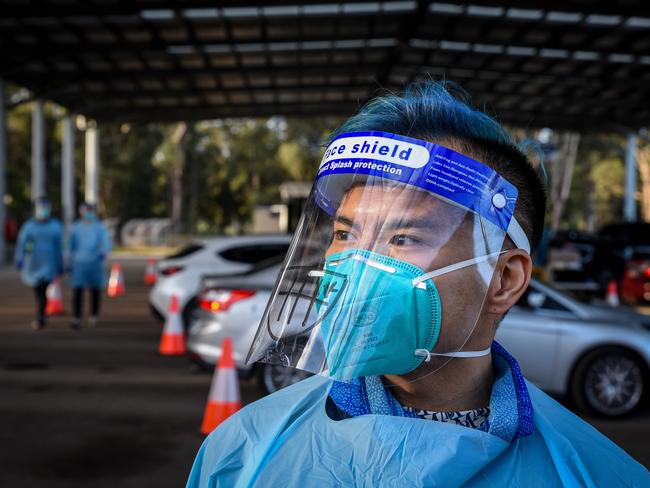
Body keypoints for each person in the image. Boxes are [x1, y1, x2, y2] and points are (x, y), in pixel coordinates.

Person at [186, 82, 649, 487]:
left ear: (505, 279)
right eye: (345, 234)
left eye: (402, 237)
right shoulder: (241, 453)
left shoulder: (597, 475)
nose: (353, 264)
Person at [14, 197, 63, 330]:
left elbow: (60, 246)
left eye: (45, 208)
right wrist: (20, 258)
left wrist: (61, 263)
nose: (43, 211)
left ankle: (40, 316)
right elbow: (22, 244)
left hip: (49, 262)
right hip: (33, 263)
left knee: (43, 289)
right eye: (41, 208)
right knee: (38, 290)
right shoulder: (29, 226)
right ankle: (41, 315)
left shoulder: (55, 226)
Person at [67, 202, 112, 329]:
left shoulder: (100, 227)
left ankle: (94, 314)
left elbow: (106, 242)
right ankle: (76, 317)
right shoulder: (76, 228)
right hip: (79, 263)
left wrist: (103, 253)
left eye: (90, 211)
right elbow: (70, 246)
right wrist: (67, 260)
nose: (88, 214)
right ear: (81, 212)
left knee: (95, 290)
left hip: (95, 263)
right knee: (77, 290)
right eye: (86, 211)